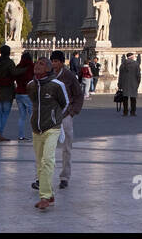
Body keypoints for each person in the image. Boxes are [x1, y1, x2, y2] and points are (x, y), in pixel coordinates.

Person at [39, 50, 87, 191]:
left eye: (56, 61)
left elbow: (79, 95)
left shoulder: (69, 76)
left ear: (61, 62)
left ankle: (65, 176)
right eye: (52, 61)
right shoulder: (48, 76)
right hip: (50, 116)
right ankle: (43, 176)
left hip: (65, 116)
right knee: (46, 148)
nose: (53, 64)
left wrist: (73, 112)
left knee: (66, 148)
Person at [26, 56, 69, 211]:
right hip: (36, 129)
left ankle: (44, 197)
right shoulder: (31, 85)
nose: (37, 65)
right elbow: (33, 102)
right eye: (37, 62)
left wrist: (55, 118)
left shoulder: (57, 85)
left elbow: (65, 104)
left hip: (52, 128)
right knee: (39, 163)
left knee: (47, 161)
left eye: (42, 63)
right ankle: (49, 193)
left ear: (49, 69)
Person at [0, 44, 19, 143]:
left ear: (0, 52)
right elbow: (14, 74)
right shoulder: (10, 63)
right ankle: (0, 133)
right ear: (9, 53)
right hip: (8, 92)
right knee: (5, 114)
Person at [12, 51, 35, 142]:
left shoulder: (18, 67)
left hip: (18, 93)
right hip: (27, 93)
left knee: (22, 116)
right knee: (32, 115)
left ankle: (21, 135)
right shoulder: (31, 67)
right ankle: (35, 135)